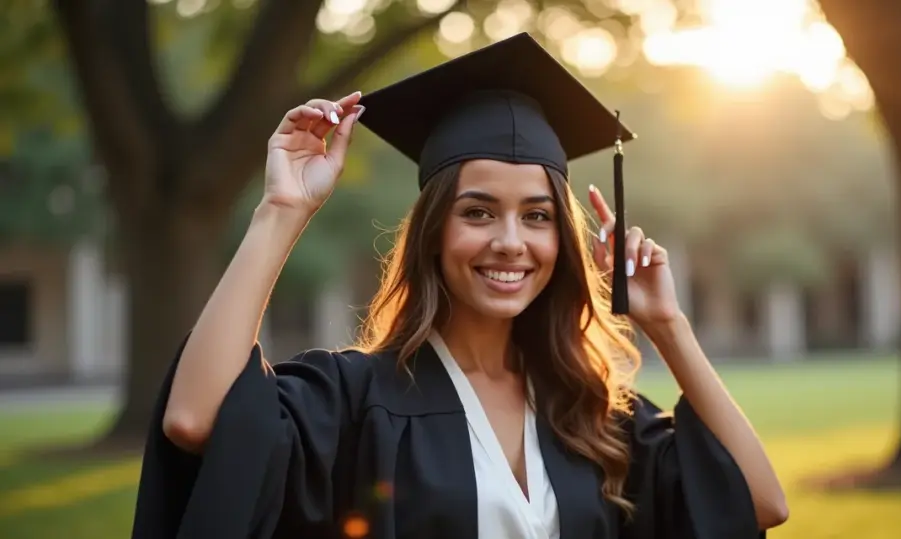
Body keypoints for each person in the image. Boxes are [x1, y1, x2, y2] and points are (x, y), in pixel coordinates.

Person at [130, 32, 787, 539]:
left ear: (561, 239)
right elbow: (196, 421)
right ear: (435, 233)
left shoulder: (589, 413)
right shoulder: (357, 399)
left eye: (536, 215)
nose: (510, 240)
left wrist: (668, 326)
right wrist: (282, 211)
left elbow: (757, 501)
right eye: (477, 211)